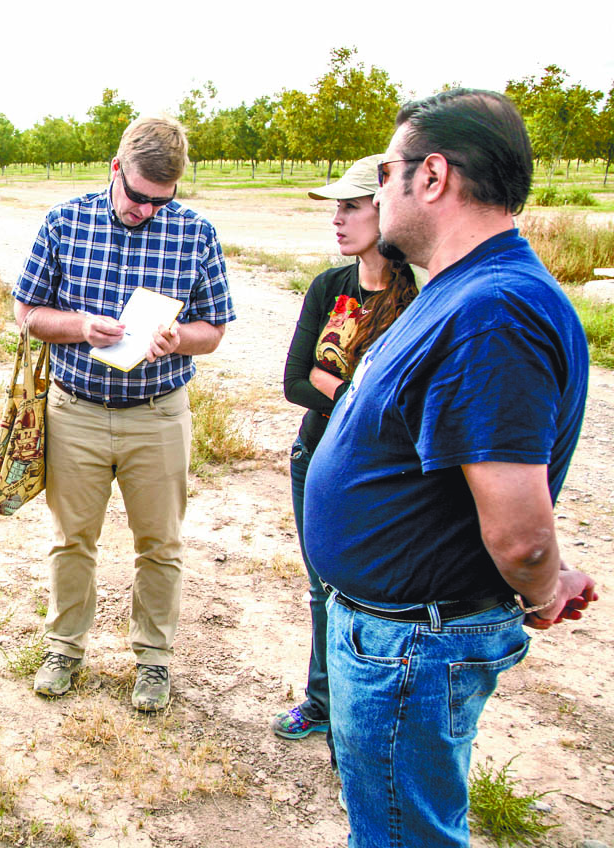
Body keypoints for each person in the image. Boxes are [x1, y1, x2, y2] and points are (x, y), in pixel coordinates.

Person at [304, 89, 598, 846]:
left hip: (411, 646)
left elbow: (522, 532)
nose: (375, 193)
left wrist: (541, 586)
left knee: (408, 837)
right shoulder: (458, 291)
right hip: (393, 635)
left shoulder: (492, 311)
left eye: (386, 174)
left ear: (432, 176)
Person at [13, 116, 235, 712]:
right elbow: (27, 312)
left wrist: (177, 339)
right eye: (138, 197)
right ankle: (64, 648)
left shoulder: (195, 233)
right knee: (71, 539)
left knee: (160, 544)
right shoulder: (65, 221)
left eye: (161, 201)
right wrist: (81, 327)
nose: (147, 211)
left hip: (159, 414)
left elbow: (213, 329)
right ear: (115, 169)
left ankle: (154, 661)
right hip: (76, 411)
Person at [273, 154, 417, 751]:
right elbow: (293, 383)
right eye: (336, 207)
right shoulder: (330, 287)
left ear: (384, 210)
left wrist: (337, 387)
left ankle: (362, 726)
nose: (337, 219)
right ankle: (322, 702)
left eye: (351, 207)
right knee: (321, 588)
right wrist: (360, 390)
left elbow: (408, 405)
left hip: (385, 475)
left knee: (374, 601)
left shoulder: (420, 294)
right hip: (317, 459)